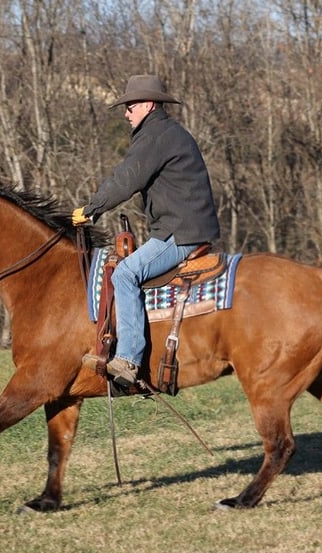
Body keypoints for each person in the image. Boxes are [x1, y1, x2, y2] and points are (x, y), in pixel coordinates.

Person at [72, 74, 220, 388]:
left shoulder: (156, 135)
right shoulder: (165, 132)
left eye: (131, 106)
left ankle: (128, 360)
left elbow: (127, 178)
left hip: (180, 231)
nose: (126, 113)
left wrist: (92, 208)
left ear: (148, 104)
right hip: (182, 226)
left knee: (124, 274)